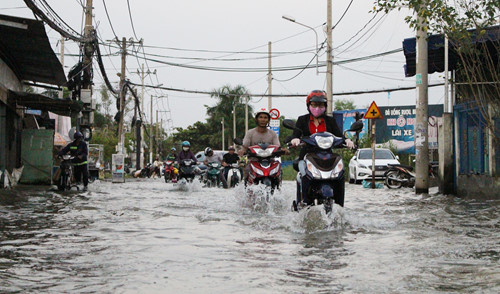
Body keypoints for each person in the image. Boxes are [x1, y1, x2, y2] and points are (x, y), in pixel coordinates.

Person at [289, 90, 355, 206]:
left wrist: (347, 141)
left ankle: (340, 205)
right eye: (314, 105)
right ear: (309, 105)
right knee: (303, 173)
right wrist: (295, 140)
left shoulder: (330, 121)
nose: (317, 107)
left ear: (325, 106)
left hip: (328, 156)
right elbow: (295, 134)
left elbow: (339, 136)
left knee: (340, 174)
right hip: (307, 155)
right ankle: (303, 203)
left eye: (320, 105)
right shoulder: (302, 120)